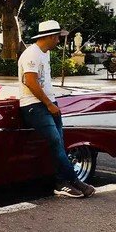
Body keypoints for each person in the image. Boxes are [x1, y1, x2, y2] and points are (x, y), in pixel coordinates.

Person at [18, 20, 95, 198]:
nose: (59, 41)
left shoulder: (45, 54)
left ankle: (61, 182)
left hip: (48, 103)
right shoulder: (32, 54)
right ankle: (75, 181)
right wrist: (49, 104)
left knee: (59, 143)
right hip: (33, 106)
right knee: (54, 141)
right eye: (58, 37)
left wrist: (52, 103)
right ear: (50, 36)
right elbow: (30, 81)